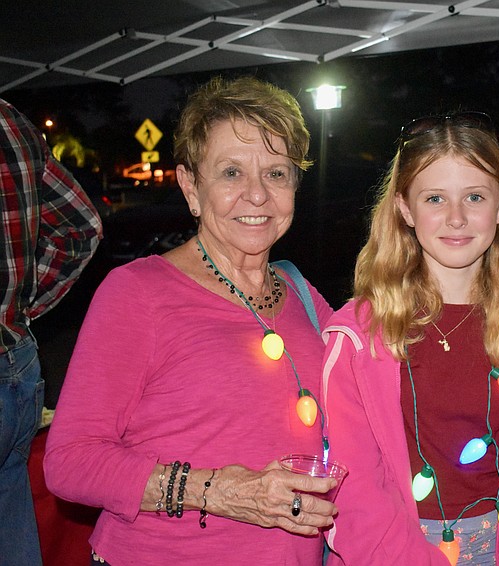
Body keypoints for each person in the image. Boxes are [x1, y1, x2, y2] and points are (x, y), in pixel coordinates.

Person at [43, 76, 339, 565]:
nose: (257, 195)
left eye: (277, 173)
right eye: (230, 173)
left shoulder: (303, 296)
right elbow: (70, 462)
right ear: (190, 186)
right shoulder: (137, 292)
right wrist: (219, 490)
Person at [321, 112, 499, 565]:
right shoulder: (360, 337)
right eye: (434, 198)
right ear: (404, 208)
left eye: (474, 196)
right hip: (397, 549)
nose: (456, 218)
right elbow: (355, 490)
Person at [0, 98, 102, 566]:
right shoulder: (10, 121)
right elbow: (82, 227)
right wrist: (18, 307)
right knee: (11, 508)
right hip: (14, 363)